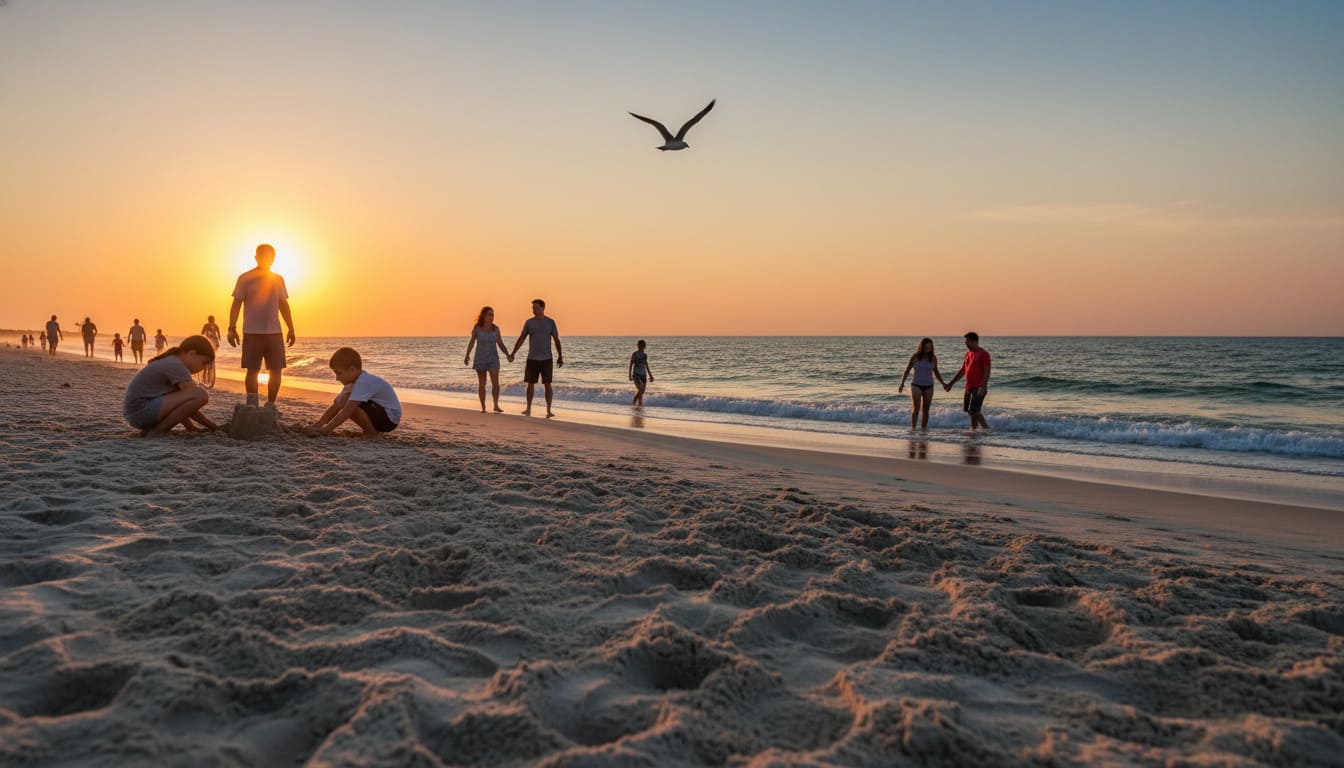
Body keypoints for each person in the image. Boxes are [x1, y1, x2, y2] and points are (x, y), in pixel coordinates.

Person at [228, 243, 296, 407]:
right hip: (252, 332)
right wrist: (232, 328)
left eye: (270, 257)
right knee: (253, 370)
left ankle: (271, 404)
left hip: (274, 332)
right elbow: (236, 303)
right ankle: (252, 404)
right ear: (256, 257)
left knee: (276, 370)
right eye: (263, 256)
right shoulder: (245, 278)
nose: (267, 259)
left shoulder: (278, 279)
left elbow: (283, 304)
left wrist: (291, 328)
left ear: (274, 259)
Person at [122, 335, 218, 437]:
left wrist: (190, 427)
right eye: (203, 363)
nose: (203, 368)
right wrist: (213, 427)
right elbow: (191, 406)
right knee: (201, 394)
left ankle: (156, 430)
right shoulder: (177, 365)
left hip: (137, 415)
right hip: (141, 412)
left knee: (194, 392)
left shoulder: (172, 361)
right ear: (192, 353)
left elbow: (181, 406)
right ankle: (158, 431)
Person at [310, 347, 401, 436]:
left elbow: (348, 410)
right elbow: (337, 405)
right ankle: (371, 430)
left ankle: (371, 433)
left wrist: (328, 429)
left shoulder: (364, 382)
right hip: (378, 412)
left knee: (348, 402)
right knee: (343, 400)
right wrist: (318, 424)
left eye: (339, 373)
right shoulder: (352, 383)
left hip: (389, 420)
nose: (337, 378)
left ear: (352, 370)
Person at [509, 298, 563, 417]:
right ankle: (528, 408)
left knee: (547, 384)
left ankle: (549, 410)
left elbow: (556, 340)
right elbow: (521, 338)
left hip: (547, 359)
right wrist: (513, 353)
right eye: (533, 308)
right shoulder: (529, 323)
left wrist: (560, 356)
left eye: (536, 308)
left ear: (543, 308)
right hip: (532, 358)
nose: (534, 310)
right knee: (530, 383)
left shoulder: (550, 322)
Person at [464, 306, 514, 413]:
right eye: (489, 314)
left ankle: (496, 405)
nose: (491, 317)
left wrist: (507, 354)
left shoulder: (495, 329)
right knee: (482, 384)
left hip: (493, 358)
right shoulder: (477, 328)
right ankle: (483, 407)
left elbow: (500, 343)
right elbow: (472, 342)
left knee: (495, 383)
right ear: (484, 316)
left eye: (492, 315)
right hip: (480, 358)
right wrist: (467, 355)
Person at [898, 337, 948, 429]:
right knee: (916, 408)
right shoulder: (915, 356)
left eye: (930, 347)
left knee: (926, 410)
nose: (928, 349)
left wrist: (943, 384)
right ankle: (913, 429)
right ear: (922, 347)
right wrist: (902, 384)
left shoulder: (933, 358)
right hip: (916, 385)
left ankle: (923, 431)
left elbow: (936, 372)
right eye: (927, 347)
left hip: (929, 386)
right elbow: (907, 370)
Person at [945, 331, 991, 430]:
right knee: (969, 411)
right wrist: (951, 383)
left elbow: (987, 371)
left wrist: (983, 386)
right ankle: (974, 430)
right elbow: (962, 371)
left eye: (967, 342)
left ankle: (987, 430)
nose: (966, 344)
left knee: (975, 411)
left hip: (978, 387)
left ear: (974, 341)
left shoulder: (983, 354)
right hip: (968, 387)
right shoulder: (968, 354)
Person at [628, 339, 654, 407]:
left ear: (645, 346)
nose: (642, 347)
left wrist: (650, 375)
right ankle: (633, 402)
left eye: (643, 345)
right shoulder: (635, 354)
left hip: (643, 375)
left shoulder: (645, 355)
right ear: (638, 346)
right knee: (641, 389)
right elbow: (631, 364)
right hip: (636, 375)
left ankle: (639, 407)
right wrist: (629, 375)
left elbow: (646, 365)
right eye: (640, 345)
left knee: (642, 392)